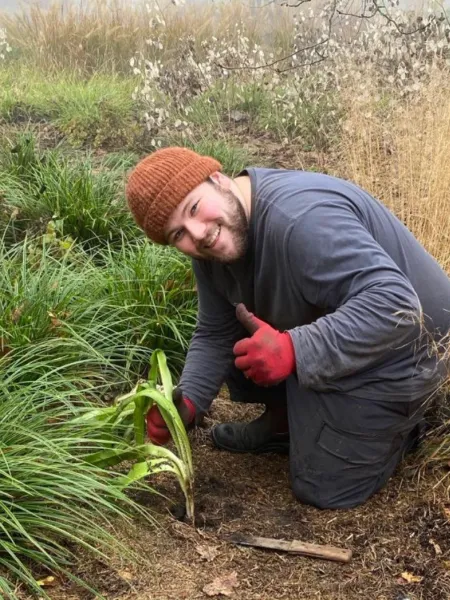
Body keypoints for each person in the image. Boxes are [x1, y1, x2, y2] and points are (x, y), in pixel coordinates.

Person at [125, 146, 450, 510]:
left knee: (324, 488)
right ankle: (289, 422)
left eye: (194, 208)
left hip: (414, 348)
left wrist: (295, 350)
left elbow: (398, 307)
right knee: (244, 341)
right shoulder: (215, 241)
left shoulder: (300, 221)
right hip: (359, 327)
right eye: (177, 234)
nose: (197, 234)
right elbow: (216, 332)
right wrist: (186, 403)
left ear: (217, 179)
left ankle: (401, 428)